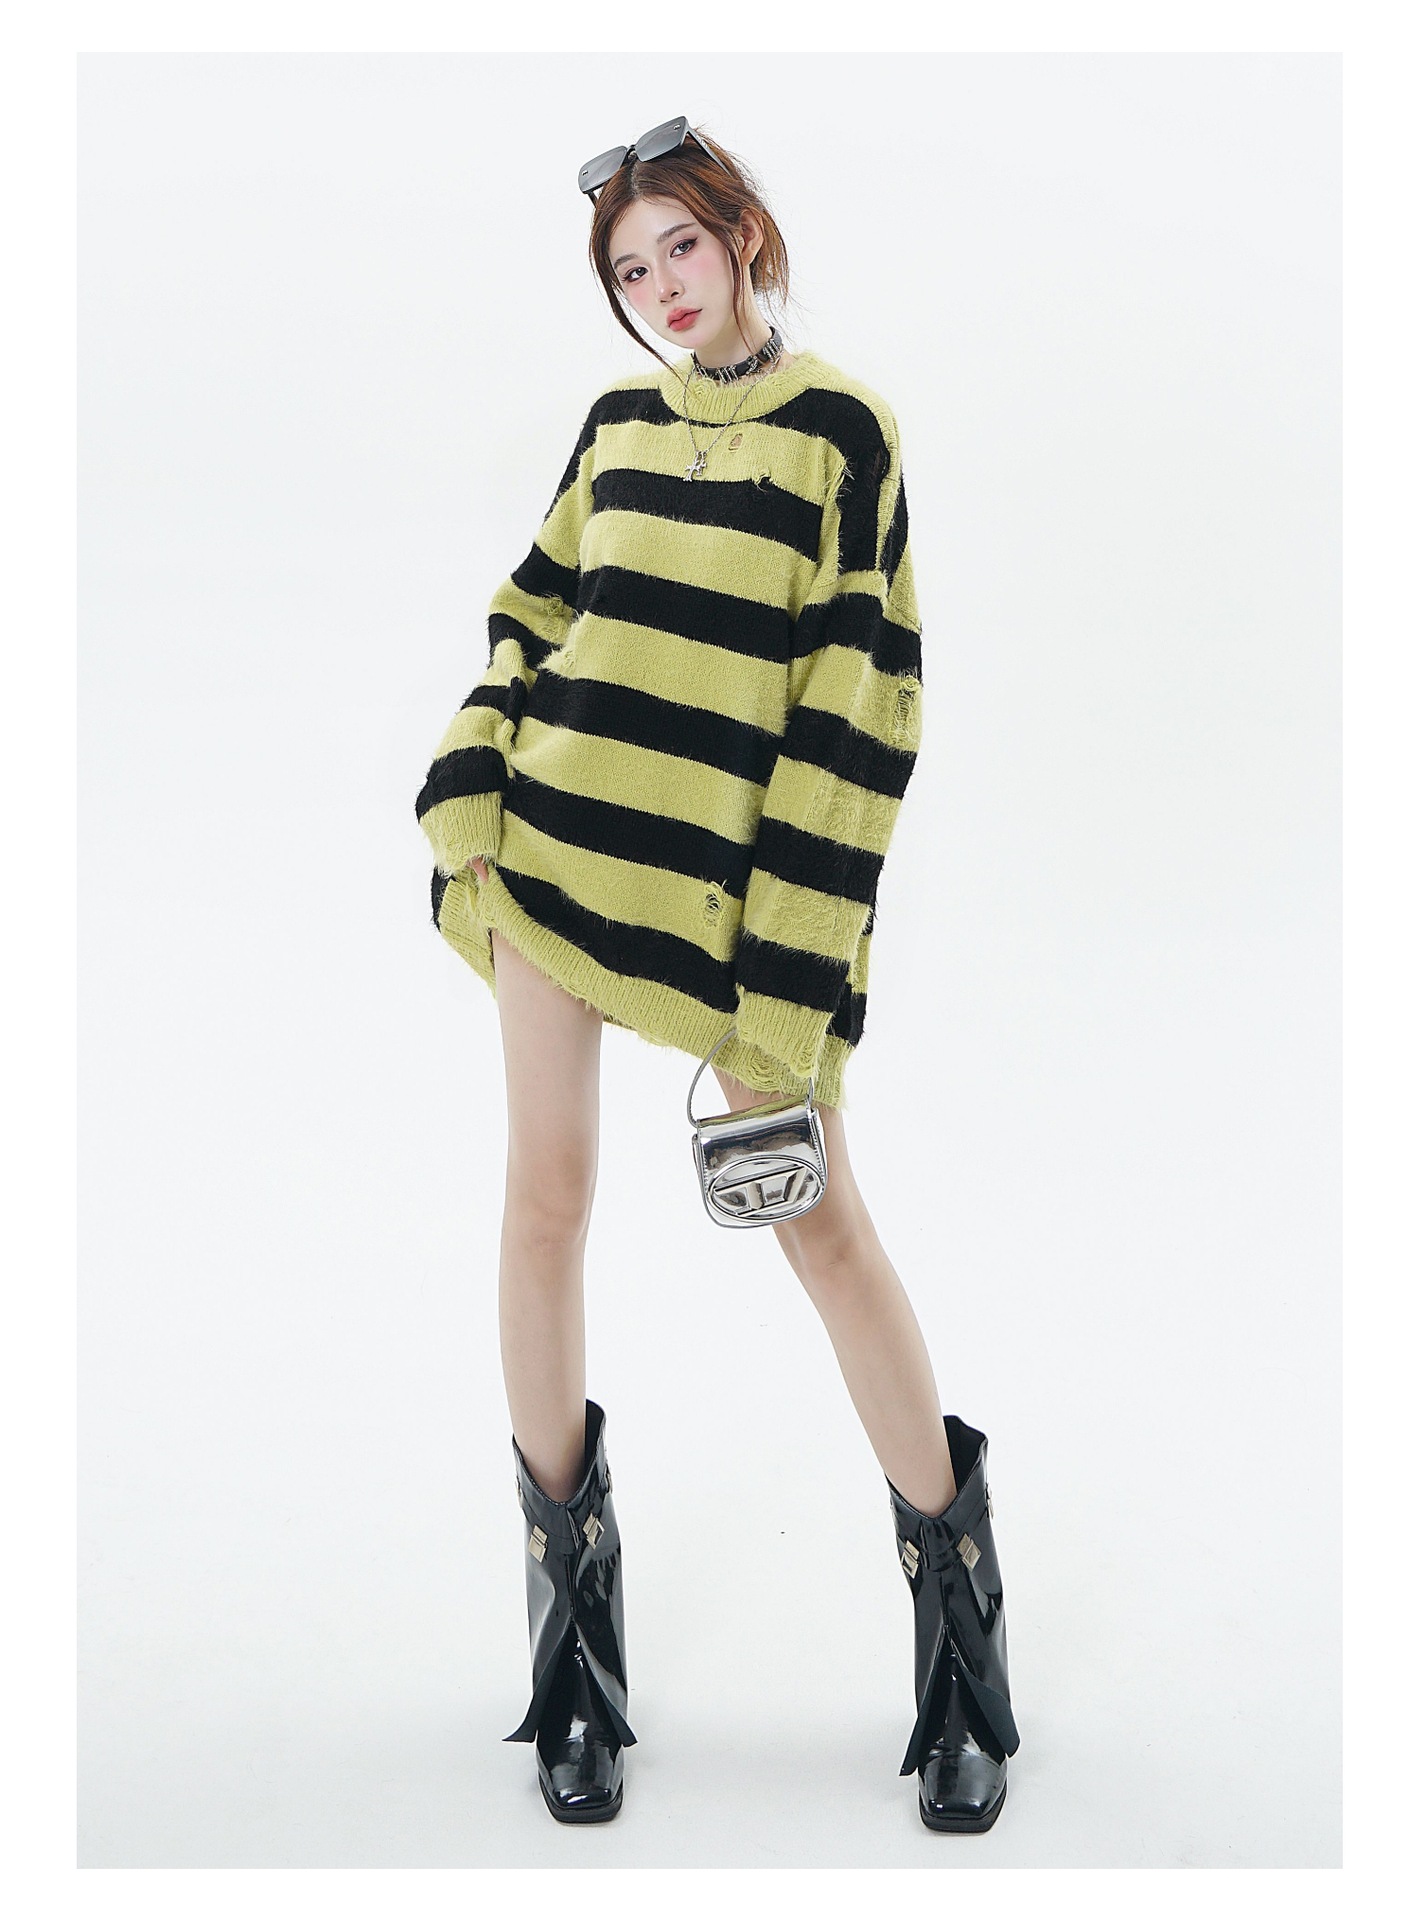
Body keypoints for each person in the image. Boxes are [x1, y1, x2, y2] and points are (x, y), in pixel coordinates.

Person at [414, 116, 1020, 1833]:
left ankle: (963, 1631)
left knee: (822, 1235)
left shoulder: (844, 434)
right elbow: (533, 619)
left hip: (740, 925)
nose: (662, 288)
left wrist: (784, 984)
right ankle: (572, 1653)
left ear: (743, 233)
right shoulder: (616, 426)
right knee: (544, 1206)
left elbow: (856, 720)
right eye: (631, 269)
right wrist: (472, 797)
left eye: (680, 245)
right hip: (553, 870)